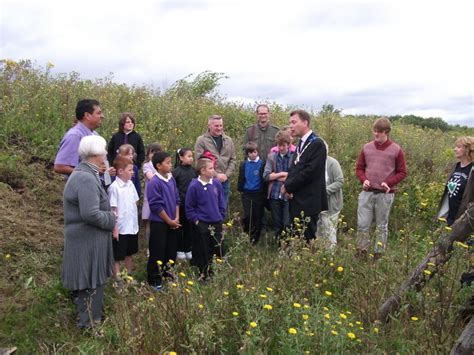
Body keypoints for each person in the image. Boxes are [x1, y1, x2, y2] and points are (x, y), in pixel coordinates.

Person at [61, 135, 115, 329]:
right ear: (96, 154)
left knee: (90, 280)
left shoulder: (87, 173)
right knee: (90, 281)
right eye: (104, 151)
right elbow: (90, 213)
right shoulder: (85, 177)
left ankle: (90, 321)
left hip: (88, 238)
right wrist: (111, 219)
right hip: (87, 239)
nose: (107, 154)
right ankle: (90, 325)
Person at [355, 117, 407, 256]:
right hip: (367, 192)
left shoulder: (396, 150)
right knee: (362, 225)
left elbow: (402, 172)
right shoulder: (367, 147)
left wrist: (388, 182)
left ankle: (379, 254)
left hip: (385, 194)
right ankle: (361, 252)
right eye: (375, 131)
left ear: (387, 132)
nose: (376, 134)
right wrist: (363, 179)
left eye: (379, 131)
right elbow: (359, 168)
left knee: (382, 226)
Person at [281, 109, 328, 241]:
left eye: (294, 122)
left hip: (309, 201)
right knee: (296, 237)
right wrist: (288, 185)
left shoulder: (317, 144)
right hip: (297, 199)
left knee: (306, 239)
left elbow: (309, 172)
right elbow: (294, 168)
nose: (291, 126)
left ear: (305, 122)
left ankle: (305, 261)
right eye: (290, 123)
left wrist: (289, 186)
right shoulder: (301, 143)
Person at [186, 158, 226, 280]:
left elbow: (221, 201)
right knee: (203, 248)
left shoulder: (216, 183)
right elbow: (189, 207)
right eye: (210, 168)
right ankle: (203, 273)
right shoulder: (194, 186)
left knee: (218, 246)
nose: (213, 171)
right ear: (202, 171)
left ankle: (216, 271)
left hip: (216, 222)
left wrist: (221, 215)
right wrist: (196, 220)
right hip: (202, 223)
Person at [146, 151, 180, 291]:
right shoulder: (154, 182)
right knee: (157, 251)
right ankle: (155, 279)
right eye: (168, 163)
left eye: (171, 162)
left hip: (173, 221)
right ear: (158, 166)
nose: (170, 165)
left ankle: (168, 275)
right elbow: (156, 205)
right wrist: (168, 220)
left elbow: (177, 199)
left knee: (171, 250)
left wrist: (176, 218)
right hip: (160, 223)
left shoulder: (171, 179)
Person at [54, 99, 113, 177]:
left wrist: (107, 172)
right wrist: (90, 173)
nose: (102, 116)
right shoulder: (75, 136)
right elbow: (60, 167)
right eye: (98, 113)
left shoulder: (95, 135)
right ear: (87, 115)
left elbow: (102, 166)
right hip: (81, 186)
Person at [107, 156, 139, 285]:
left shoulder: (131, 184)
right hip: (120, 228)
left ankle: (127, 276)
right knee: (117, 255)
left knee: (129, 252)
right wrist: (115, 229)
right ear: (120, 171)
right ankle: (118, 278)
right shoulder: (114, 188)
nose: (133, 172)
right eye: (130, 170)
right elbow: (112, 209)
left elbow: (135, 201)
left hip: (131, 226)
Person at [195, 114, 236, 204]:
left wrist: (226, 175)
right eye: (216, 126)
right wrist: (216, 175)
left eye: (221, 125)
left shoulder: (228, 140)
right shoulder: (201, 140)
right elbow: (199, 161)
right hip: (208, 181)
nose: (219, 128)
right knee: (209, 208)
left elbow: (233, 160)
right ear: (209, 126)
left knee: (222, 209)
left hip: (225, 181)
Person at [263, 130, 293, 240]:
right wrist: (282, 174)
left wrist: (275, 175)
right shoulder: (272, 157)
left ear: (289, 145)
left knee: (287, 223)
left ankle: (287, 247)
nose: (280, 148)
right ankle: (279, 247)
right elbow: (266, 176)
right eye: (279, 145)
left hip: (288, 195)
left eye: (283, 146)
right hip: (274, 194)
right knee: (277, 224)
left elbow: (294, 176)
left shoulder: (293, 157)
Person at [437, 136, 473, 226]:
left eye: (459, 147)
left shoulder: (472, 170)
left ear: (467, 150)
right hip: (448, 217)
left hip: (463, 220)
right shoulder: (455, 167)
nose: (455, 149)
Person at [316, 141, 344, 249]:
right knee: (318, 230)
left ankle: (330, 256)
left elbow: (340, 181)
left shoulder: (333, 163)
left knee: (330, 230)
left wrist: (324, 191)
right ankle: (318, 255)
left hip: (331, 204)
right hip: (317, 203)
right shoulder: (314, 163)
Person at [237, 142, 266, 244]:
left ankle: (255, 238)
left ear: (257, 152)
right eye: (250, 153)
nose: (253, 154)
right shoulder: (244, 164)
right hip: (247, 193)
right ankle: (248, 233)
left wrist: (264, 193)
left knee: (258, 215)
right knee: (248, 215)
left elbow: (264, 178)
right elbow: (241, 178)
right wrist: (240, 189)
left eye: (254, 152)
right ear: (247, 154)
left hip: (258, 193)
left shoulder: (262, 164)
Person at [172, 148, 197, 260]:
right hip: (180, 205)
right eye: (188, 156)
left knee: (190, 227)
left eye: (192, 156)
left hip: (192, 206)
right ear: (181, 157)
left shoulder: (194, 171)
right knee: (179, 227)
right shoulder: (176, 172)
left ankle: (189, 248)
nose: (191, 158)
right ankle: (179, 249)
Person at [142, 143, 163, 242]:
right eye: (152, 152)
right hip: (150, 197)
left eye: (157, 152)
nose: (154, 155)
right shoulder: (147, 165)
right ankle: (148, 247)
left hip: (162, 196)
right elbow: (151, 177)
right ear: (148, 153)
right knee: (149, 222)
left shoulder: (164, 164)